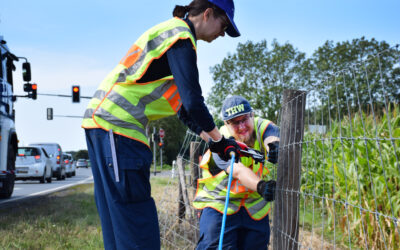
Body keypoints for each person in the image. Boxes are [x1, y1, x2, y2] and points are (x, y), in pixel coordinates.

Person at [81, 1, 242, 249]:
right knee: (136, 226)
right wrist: (220, 140)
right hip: (118, 128)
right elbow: (193, 100)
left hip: (105, 127)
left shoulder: (172, 42)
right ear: (208, 13)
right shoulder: (180, 37)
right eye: (224, 25)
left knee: (120, 225)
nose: (223, 33)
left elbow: (185, 110)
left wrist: (215, 141)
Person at [193, 95, 280, 250]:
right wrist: (261, 186)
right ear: (227, 124)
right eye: (235, 123)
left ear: (252, 115)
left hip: (254, 208)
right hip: (220, 204)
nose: (241, 127)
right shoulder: (220, 141)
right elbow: (238, 171)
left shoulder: (260, 125)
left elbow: (271, 134)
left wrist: (273, 146)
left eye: (244, 119)